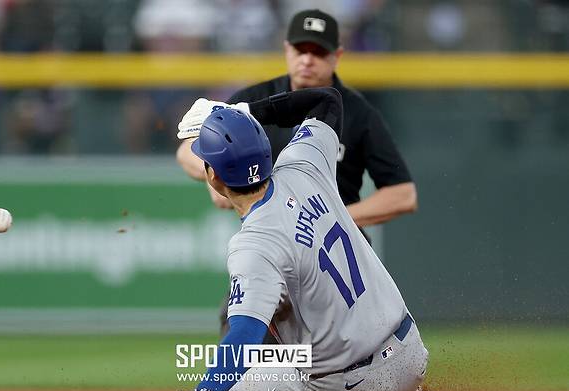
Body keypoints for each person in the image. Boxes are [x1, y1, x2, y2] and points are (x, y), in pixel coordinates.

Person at [149, 88, 428, 391]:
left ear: (214, 176)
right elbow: (327, 100)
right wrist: (246, 109)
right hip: (411, 357)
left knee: (229, 384)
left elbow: (245, 334)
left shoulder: (254, 245)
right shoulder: (302, 163)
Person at [176, 9, 417, 336]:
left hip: (333, 256)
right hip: (274, 245)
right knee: (241, 330)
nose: (307, 59)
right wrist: (215, 174)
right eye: (300, 49)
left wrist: (334, 217)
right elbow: (187, 147)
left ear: (337, 57)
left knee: (341, 352)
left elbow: (403, 194)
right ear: (286, 49)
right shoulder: (256, 100)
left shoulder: (358, 113)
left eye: (318, 52)